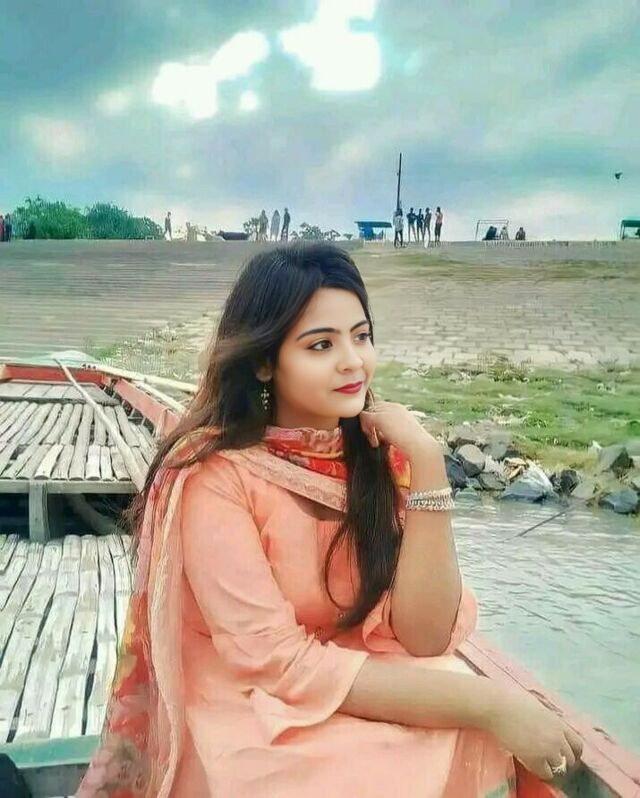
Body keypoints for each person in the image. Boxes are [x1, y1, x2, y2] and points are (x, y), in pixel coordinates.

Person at [76, 244, 583, 798]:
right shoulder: (215, 479)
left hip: (351, 682)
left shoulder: (377, 458)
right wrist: (488, 701)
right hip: (251, 708)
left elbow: (424, 637)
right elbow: (274, 662)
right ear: (264, 361)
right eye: (321, 345)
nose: (352, 361)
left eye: (361, 337)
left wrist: (429, 466)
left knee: (472, 735)